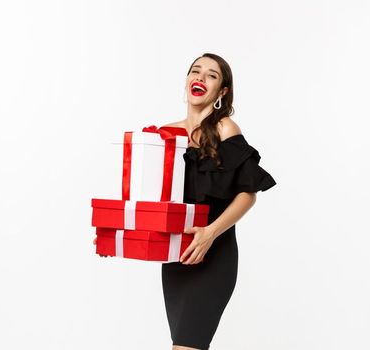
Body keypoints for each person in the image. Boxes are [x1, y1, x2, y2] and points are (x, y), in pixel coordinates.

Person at [93, 53, 277, 349]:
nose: (200, 78)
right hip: (177, 258)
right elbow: (151, 200)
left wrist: (209, 233)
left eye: (212, 75)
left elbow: (248, 193)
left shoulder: (225, 129)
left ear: (222, 91)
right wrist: (116, 236)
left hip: (214, 255)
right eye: (195, 71)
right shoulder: (165, 134)